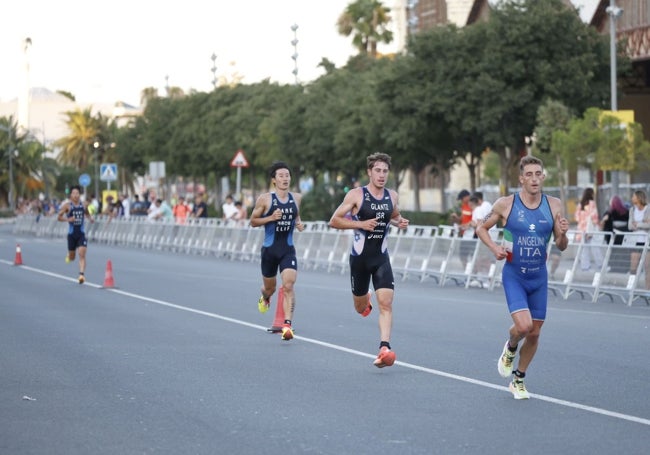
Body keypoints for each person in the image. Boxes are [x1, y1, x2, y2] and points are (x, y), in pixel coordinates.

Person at [475, 155, 569, 399]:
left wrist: (564, 234)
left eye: (538, 174)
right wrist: (495, 248)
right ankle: (511, 347)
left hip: (539, 276)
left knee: (535, 332)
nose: (534, 178)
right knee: (524, 326)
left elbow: (561, 245)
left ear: (543, 176)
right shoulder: (505, 204)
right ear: (521, 179)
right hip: (514, 275)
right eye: (529, 174)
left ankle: (518, 379)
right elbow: (481, 228)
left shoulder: (555, 205)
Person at [329, 152, 409, 368]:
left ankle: (384, 348)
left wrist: (399, 222)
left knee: (387, 303)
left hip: (381, 258)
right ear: (369, 172)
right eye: (378, 171)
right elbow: (333, 221)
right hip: (359, 261)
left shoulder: (392, 196)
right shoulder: (356, 195)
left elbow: (393, 215)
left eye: (385, 171)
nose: (382, 175)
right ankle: (366, 299)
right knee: (360, 308)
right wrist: (360, 224)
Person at [249, 161, 305, 341]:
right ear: (274, 180)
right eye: (281, 176)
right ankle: (265, 298)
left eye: (287, 175)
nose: (285, 179)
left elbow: (296, 214)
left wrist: (298, 223)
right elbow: (253, 221)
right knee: (270, 288)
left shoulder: (297, 197)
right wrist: (271, 218)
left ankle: (287, 325)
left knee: (288, 284)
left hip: (287, 249)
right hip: (269, 250)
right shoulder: (265, 199)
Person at [57, 185, 95, 284]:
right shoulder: (67, 206)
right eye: (73, 193)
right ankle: (69, 255)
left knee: (82, 254)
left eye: (77, 193)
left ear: (80, 194)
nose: (75, 195)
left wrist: (90, 218)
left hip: (81, 234)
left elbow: (86, 213)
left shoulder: (84, 204)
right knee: (72, 257)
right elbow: (59, 217)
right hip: (71, 235)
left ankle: (81, 275)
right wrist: (68, 219)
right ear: (71, 195)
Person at [574, 188, 603, 271]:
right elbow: (594, 217)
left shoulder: (580, 205)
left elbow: (576, 218)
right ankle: (600, 265)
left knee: (584, 249)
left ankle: (585, 267)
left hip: (581, 230)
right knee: (595, 248)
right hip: (589, 229)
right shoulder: (592, 203)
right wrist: (597, 224)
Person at [628, 190, 650, 287]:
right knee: (633, 267)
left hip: (647, 242)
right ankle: (631, 289)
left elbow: (649, 225)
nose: (632, 198)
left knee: (647, 268)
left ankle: (648, 290)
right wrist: (643, 223)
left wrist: (638, 223)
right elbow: (630, 226)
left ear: (639, 197)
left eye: (633, 196)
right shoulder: (632, 210)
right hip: (635, 242)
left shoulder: (648, 209)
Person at [450, 189, 474, 269]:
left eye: (462, 199)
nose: (461, 201)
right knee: (462, 256)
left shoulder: (473, 206)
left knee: (473, 256)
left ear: (467, 197)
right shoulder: (463, 206)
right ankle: (467, 274)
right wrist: (456, 218)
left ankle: (474, 275)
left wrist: (462, 226)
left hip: (472, 235)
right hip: (464, 235)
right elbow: (462, 219)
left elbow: (474, 221)